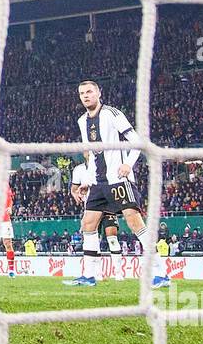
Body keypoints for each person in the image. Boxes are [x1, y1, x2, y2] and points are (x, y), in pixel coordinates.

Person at [65, 80, 169, 288]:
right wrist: (87, 180)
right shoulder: (81, 121)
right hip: (98, 183)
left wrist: (128, 164)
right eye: (82, 93)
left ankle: (162, 274)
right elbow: (93, 154)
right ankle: (89, 275)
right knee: (88, 224)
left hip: (118, 180)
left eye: (89, 92)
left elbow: (137, 141)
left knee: (134, 223)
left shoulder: (112, 114)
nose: (85, 96)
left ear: (98, 93)